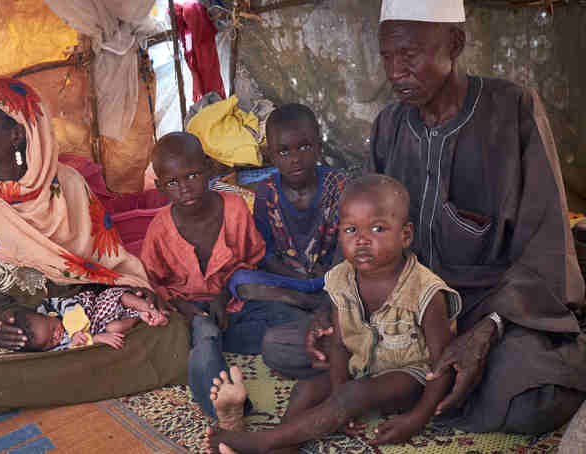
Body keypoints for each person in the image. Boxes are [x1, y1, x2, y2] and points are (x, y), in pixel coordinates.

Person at [265, 0, 586, 435]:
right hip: (396, 312)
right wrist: (334, 306)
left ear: (455, 42)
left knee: (534, 396)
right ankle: (417, 381)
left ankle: (409, 382)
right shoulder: (388, 125)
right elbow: (366, 233)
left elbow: (546, 245)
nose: (396, 72)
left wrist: (486, 331)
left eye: (409, 55)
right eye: (386, 57)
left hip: (487, 309)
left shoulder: (513, 110)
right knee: (284, 344)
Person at [0, 78, 189, 409]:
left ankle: (35, 388)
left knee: (169, 330)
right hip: (18, 338)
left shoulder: (68, 185)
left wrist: (134, 293)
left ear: (18, 133)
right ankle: (95, 375)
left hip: (86, 323)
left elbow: (107, 264)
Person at [206, 175, 462, 453]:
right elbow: (340, 343)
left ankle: (259, 442)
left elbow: (443, 365)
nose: (362, 240)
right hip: (363, 370)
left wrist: (418, 418)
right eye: (351, 230)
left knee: (354, 393)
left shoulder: (426, 291)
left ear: (406, 235)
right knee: (307, 390)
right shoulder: (341, 278)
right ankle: (283, 449)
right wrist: (339, 393)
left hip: (410, 379)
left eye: (377, 228)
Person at [140, 132, 306, 430]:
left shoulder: (234, 207)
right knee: (205, 337)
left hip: (232, 301)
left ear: (208, 168)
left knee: (286, 316)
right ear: (160, 187)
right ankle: (228, 411)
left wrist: (222, 297)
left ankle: (220, 345)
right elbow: (153, 283)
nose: (185, 188)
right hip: (190, 310)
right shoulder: (159, 230)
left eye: (192, 175)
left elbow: (250, 257)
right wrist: (188, 309)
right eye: (173, 183)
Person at [229, 104, 346, 312]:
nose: (295, 159)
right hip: (289, 278)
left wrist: (330, 271)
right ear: (271, 156)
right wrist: (294, 275)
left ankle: (311, 298)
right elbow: (264, 250)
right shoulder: (267, 191)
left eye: (304, 147)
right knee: (240, 280)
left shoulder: (337, 184)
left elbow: (349, 238)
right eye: (283, 151)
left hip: (331, 276)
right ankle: (306, 301)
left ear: (319, 147)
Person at [12, 289, 167, 351]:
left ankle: (151, 310)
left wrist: (73, 330)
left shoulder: (49, 308)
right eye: (51, 341)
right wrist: (95, 338)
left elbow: (69, 305)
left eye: (53, 329)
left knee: (122, 297)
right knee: (115, 329)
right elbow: (69, 347)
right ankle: (138, 317)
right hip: (99, 326)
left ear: (47, 317)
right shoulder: (61, 345)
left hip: (96, 306)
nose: (57, 336)